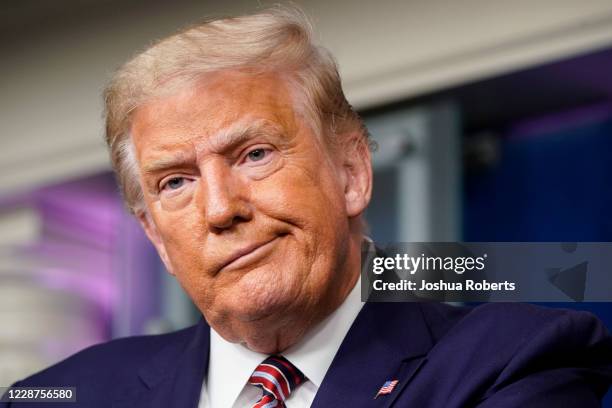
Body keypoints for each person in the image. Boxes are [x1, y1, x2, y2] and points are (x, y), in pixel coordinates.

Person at [3, 6, 612, 408]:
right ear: (156, 238)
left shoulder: (511, 363)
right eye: (175, 183)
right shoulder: (60, 395)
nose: (220, 210)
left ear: (351, 171)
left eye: (255, 153)